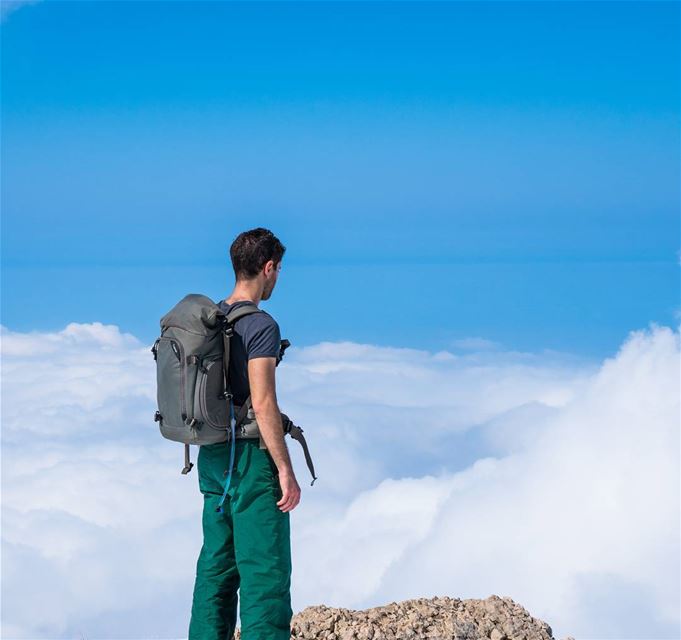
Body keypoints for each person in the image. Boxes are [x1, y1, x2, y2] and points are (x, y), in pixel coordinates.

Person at [188, 227, 301, 640]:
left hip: (213, 457)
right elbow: (264, 402)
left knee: (216, 569)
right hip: (252, 459)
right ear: (268, 268)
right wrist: (285, 469)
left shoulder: (211, 319)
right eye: (279, 270)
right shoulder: (260, 325)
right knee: (264, 574)